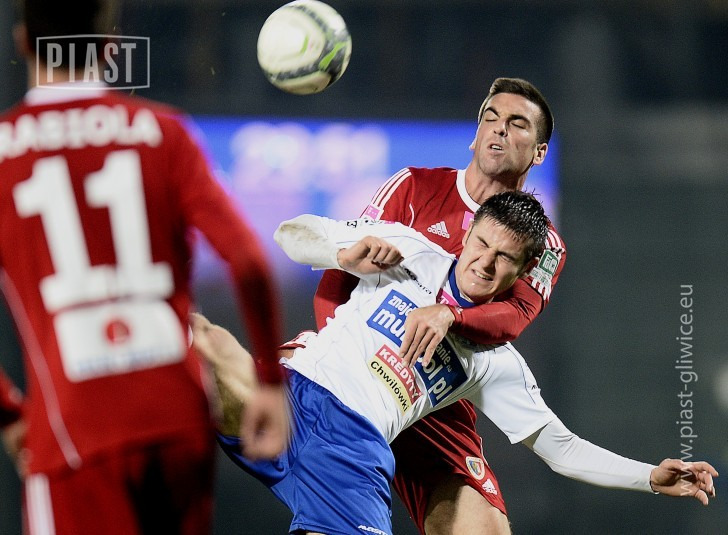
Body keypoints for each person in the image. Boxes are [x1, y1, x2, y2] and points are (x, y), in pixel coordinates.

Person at [194, 192, 718, 535]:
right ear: (468, 235)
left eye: (504, 258)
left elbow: (561, 449)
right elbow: (292, 233)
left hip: (352, 453)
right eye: (482, 243)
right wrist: (342, 256)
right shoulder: (409, 251)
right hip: (291, 397)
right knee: (201, 340)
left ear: (522, 271)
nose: (484, 262)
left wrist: (650, 476)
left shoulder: (495, 362)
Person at [0, 1, 289, 533]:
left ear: (23, 43)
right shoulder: (163, 131)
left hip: (74, 433)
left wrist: (9, 413)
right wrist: (269, 380)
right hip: (177, 423)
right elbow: (248, 259)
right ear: (110, 48)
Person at [314, 76, 564, 534]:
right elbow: (337, 277)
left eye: (517, 124)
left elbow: (512, 318)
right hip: (353, 369)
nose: (500, 128)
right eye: (491, 117)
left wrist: (451, 314)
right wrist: (348, 367)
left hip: (435, 400)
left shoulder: (544, 244)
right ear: (475, 134)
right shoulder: (412, 187)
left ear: (539, 152)